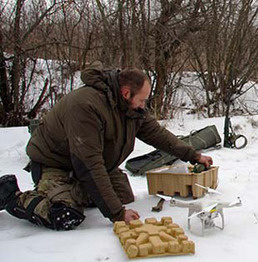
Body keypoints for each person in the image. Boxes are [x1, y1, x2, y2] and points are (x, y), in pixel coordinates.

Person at [0, 61, 213, 230]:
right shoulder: (85, 106)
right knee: (64, 215)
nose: (144, 105)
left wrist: (193, 156)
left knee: (123, 196)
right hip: (56, 163)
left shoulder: (130, 109)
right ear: (126, 93)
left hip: (88, 164)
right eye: (142, 100)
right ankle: (11, 195)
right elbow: (89, 163)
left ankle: (77, 189)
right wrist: (117, 214)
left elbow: (158, 135)